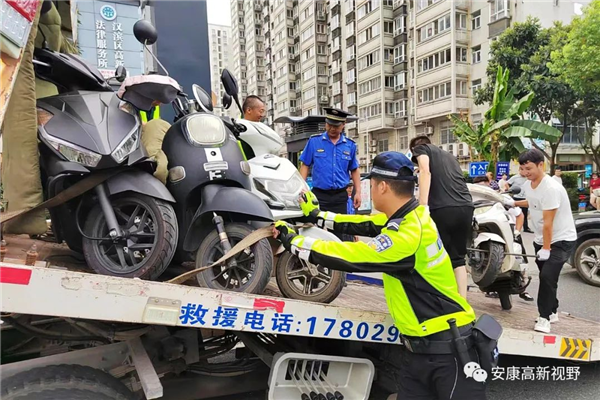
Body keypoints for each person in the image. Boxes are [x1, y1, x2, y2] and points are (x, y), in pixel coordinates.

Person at [273, 152, 488, 399]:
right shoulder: (412, 217)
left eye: (372, 184)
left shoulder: (406, 236)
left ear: (383, 186)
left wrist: (293, 241)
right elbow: (359, 224)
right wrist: (317, 217)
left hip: (448, 352)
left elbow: (351, 255)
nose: (371, 189)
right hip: (420, 351)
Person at [509, 149, 577, 333]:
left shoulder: (551, 188)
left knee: (546, 277)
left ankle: (544, 318)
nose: (525, 172)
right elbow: (532, 202)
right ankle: (553, 310)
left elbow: (548, 223)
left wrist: (546, 248)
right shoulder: (529, 184)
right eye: (522, 169)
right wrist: (513, 203)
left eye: (529, 168)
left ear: (541, 165)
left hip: (560, 240)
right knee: (549, 278)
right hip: (541, 240)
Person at [409, 135, 473, 299]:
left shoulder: (421, 149)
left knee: (435, 254)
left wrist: (423, 205)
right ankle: (462, 302)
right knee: (458, 259)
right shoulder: (450, 157)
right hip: (466, 206)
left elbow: (425, 171)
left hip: (443, 208)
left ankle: (439, 298)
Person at [299, 107, 361, 240]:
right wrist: (302, 188)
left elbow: (354, 169)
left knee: (339, 234)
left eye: (336, 126)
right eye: (329, 124)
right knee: (314, 233)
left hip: (340, 197)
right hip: (319, 196)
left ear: (343, 125)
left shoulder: (350, 145)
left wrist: (358, 192)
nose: (332, 128)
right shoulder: (314, 142)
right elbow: (305, 165)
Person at [473, 177, 534, 302]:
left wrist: (517, 231)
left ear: (489, 184)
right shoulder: (471, 199)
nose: (481, 188)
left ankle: (523, 287)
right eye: (478, 186)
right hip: (482, 232)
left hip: (508, 230)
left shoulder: (501, 197)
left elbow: (519, 215)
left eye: (484, 185)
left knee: (521, 258)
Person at [507, 168, 532, 233]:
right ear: (519, 170)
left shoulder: (528, 178)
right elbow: (507, 183)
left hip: (525, 197)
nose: (524, 172)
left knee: (525, 213)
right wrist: (510, 190)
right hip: (516, 198)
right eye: (522, 170)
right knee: (516, 213)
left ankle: (526, 228)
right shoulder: (515, 177)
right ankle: (515, 227)